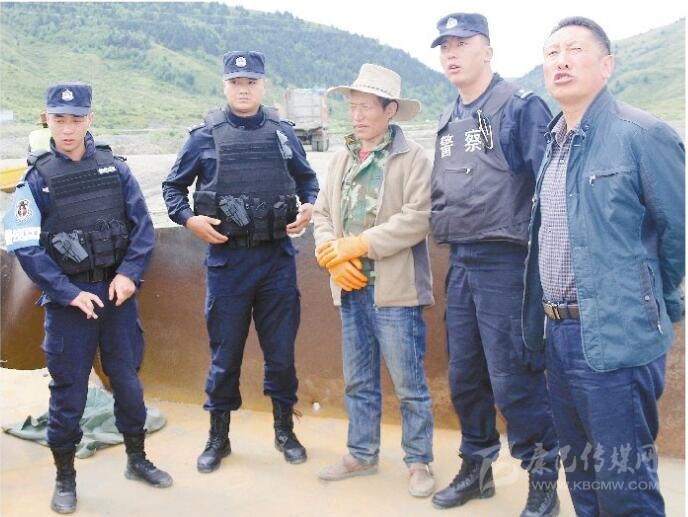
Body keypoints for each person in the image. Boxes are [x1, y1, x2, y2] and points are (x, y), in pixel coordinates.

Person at [523, 17, 685, 516]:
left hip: (617, 337)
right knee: (584, 479)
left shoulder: (643, 134)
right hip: (558, 336)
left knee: (624, 486)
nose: (561, 61)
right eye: (552, 53)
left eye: (575, 50)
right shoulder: (554, 143)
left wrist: (651, 303)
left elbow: (676, 234)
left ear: (606, 64)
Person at [3, 82, 171, 514]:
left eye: (76, 119)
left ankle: (137, 460)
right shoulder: (36, 180)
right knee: (69, 393)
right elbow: (25, 245)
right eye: (59, 119)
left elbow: (142, 228)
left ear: (89, 119)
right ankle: (65, 478)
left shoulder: (116, 169)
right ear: (47, 120)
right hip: (69, 303)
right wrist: (67, 292)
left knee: (128, 383)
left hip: (116, 295)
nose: (67, 128)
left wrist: (130, 275)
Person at [428, 13, 560, 516]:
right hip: (462, 260)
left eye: (462, 44)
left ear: (487, 51)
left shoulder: (520, 107)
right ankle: (477, 471)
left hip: (507, 263)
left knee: (515, 379)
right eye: (445, 46)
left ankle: (543, 482)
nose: (452, 53)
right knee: (465, 376)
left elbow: (551, 189)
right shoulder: (449, 118)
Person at [162, 51, 319, 472]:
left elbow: (307, 180)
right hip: (228, 263)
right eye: (236, 82)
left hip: (276, 260)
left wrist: (309, 206)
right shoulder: (203, 137)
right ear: (225, 86)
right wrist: (189, 219)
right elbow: (173, 188)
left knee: (281, 354)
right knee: (225, 355)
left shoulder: (283, 133)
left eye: (251, 82)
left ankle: (285, 430)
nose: (243, 89)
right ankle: (218, 437)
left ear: (263, 85)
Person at [313, 64, 436, 498]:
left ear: (390, 110)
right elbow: (322, 214)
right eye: (353, 106)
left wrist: (360, 244)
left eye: (367, 107)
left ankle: (418, 461)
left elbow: (417, 218)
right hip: (351, 289)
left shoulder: (413, 158)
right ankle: (361, 454)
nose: (358, 115)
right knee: (358, 380)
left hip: (396, 293)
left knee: (409, 384)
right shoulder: (342, 158)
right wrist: (331, 256)